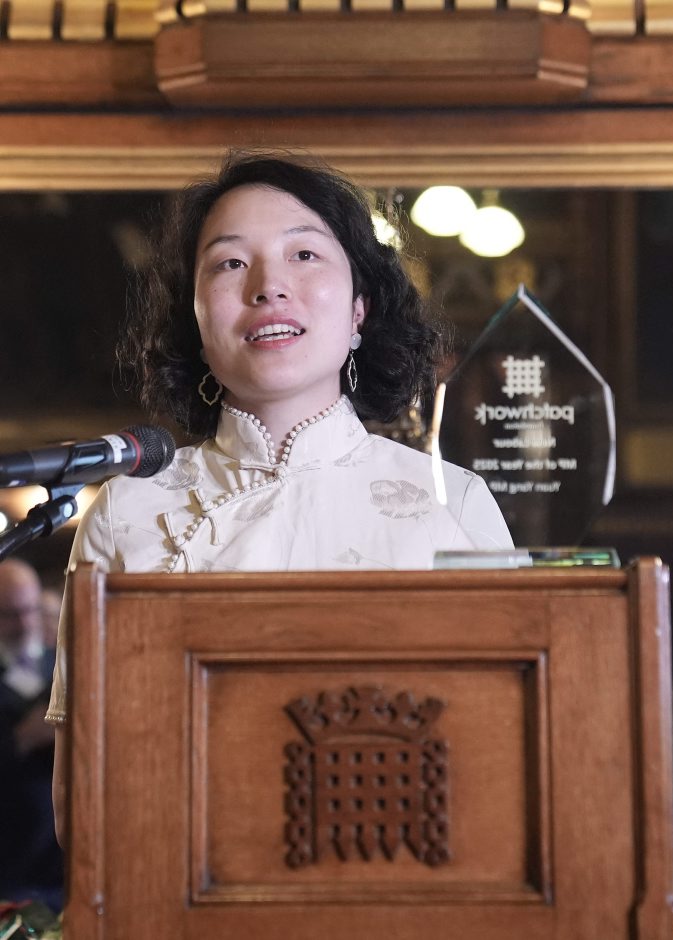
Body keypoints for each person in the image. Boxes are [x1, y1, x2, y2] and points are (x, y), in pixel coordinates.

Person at [48, 151, 513, 840]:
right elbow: (82, 799)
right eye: (230, 263)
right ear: (195, 322)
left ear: (358, 310)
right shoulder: (128, 510)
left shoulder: (454, 503)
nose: (268, 286)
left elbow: (500, 758)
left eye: (304, 254)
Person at [0, 559, 62, 909]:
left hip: (63, 864)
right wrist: (22, 738)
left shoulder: (64, 666)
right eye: (10, 614)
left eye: (29, 610)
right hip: (10, 868)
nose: (24, 624)